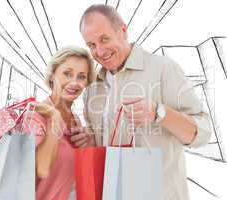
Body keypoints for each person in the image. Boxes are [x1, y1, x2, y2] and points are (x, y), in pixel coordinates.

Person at [79, 4, 212, 200]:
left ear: (123, 31)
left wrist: (159, 113)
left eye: (104, 39)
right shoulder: (92, 89)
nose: (99, 51)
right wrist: (86, 138)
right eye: (91, 45)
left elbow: (203, 133)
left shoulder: (163, 69)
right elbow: (99, 144)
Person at [22, 46, 96, 200]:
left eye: (81, 76)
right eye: (67, 74)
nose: (74, 82)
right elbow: (41, 169)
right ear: (52, 75)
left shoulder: (75, 118)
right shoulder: (36, 116)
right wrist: (54, 120)